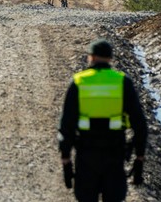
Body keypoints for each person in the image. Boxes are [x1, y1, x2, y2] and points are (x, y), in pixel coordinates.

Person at [58, 39, 148, 202]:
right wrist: (139, 157)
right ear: (110, 58)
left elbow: (67, 124)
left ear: (90, 57)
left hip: (86, 154)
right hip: (114, 153)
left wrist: (66, 158)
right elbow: (139, 123)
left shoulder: (79, 82)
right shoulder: (122, 82)